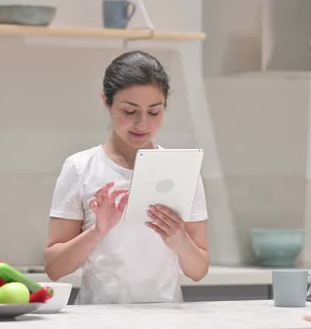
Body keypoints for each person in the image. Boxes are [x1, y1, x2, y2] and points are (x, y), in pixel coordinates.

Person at [44, 50, 209, 304]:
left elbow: (198, 271)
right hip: (98, 320)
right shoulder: (80, 168)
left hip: (165, 320)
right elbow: (54, 268)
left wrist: (179, 239)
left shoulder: (181, 170)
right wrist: (98, 231)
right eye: (129, 111)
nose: (142, 123)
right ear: (106, 102)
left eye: (154, 112)